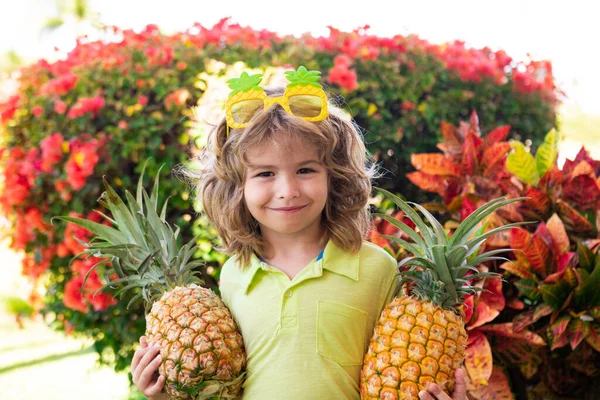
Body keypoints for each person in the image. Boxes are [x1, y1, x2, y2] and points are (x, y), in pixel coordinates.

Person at [130, 66, 467, 400]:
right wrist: (165, 395)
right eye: (264, 173)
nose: (287, 190)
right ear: (236, 187)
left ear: (335, 176)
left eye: (305, 169)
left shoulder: (377, 268)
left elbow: (399, 371)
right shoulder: (235, 275)